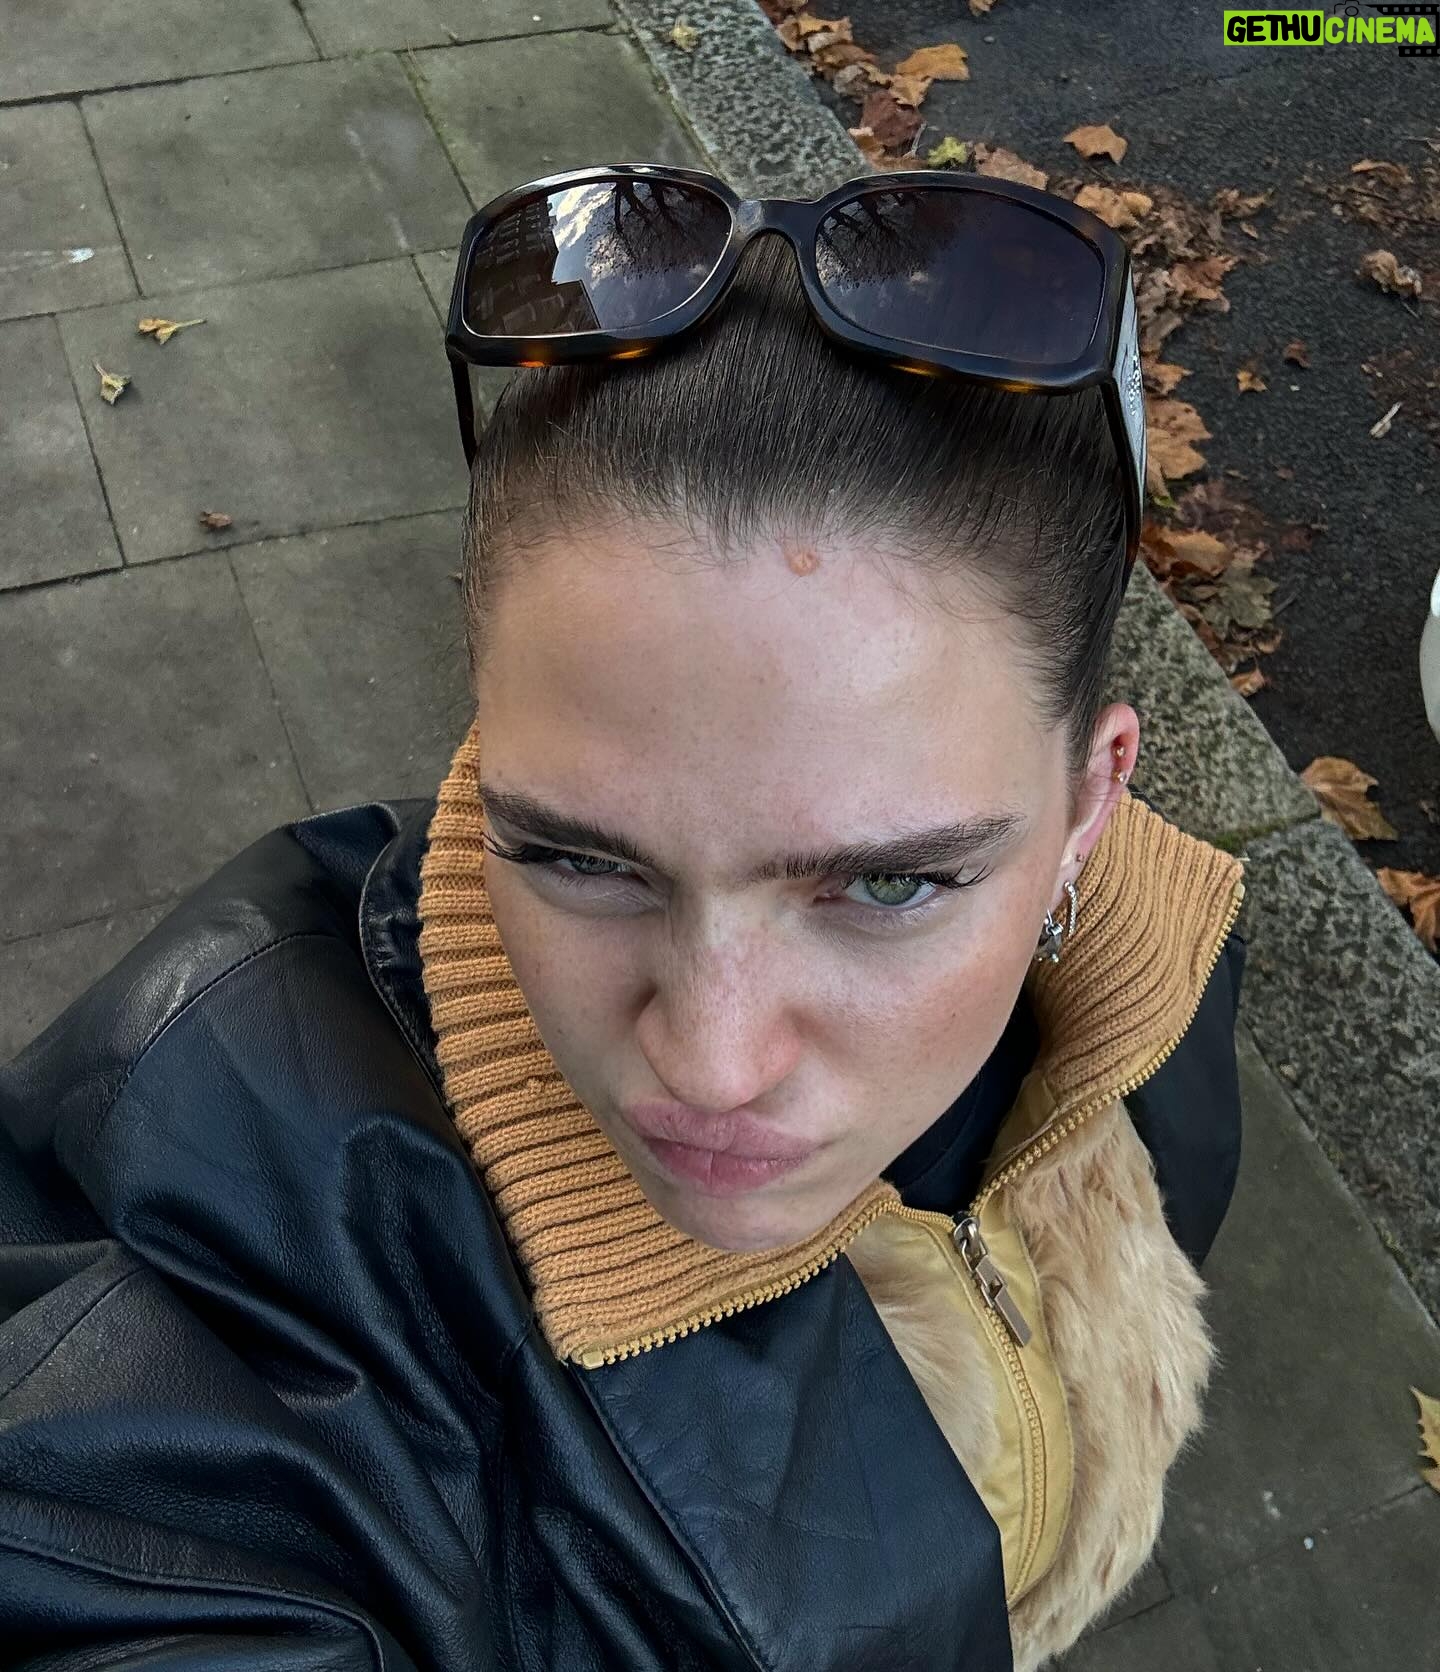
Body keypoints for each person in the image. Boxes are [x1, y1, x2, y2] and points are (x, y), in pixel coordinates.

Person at [0, 166, 1247, 1672]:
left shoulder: (1159, 952)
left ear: (1091, 803)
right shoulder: (227, 1213)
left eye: (890, 884)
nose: (710, 1066)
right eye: (579, 860)